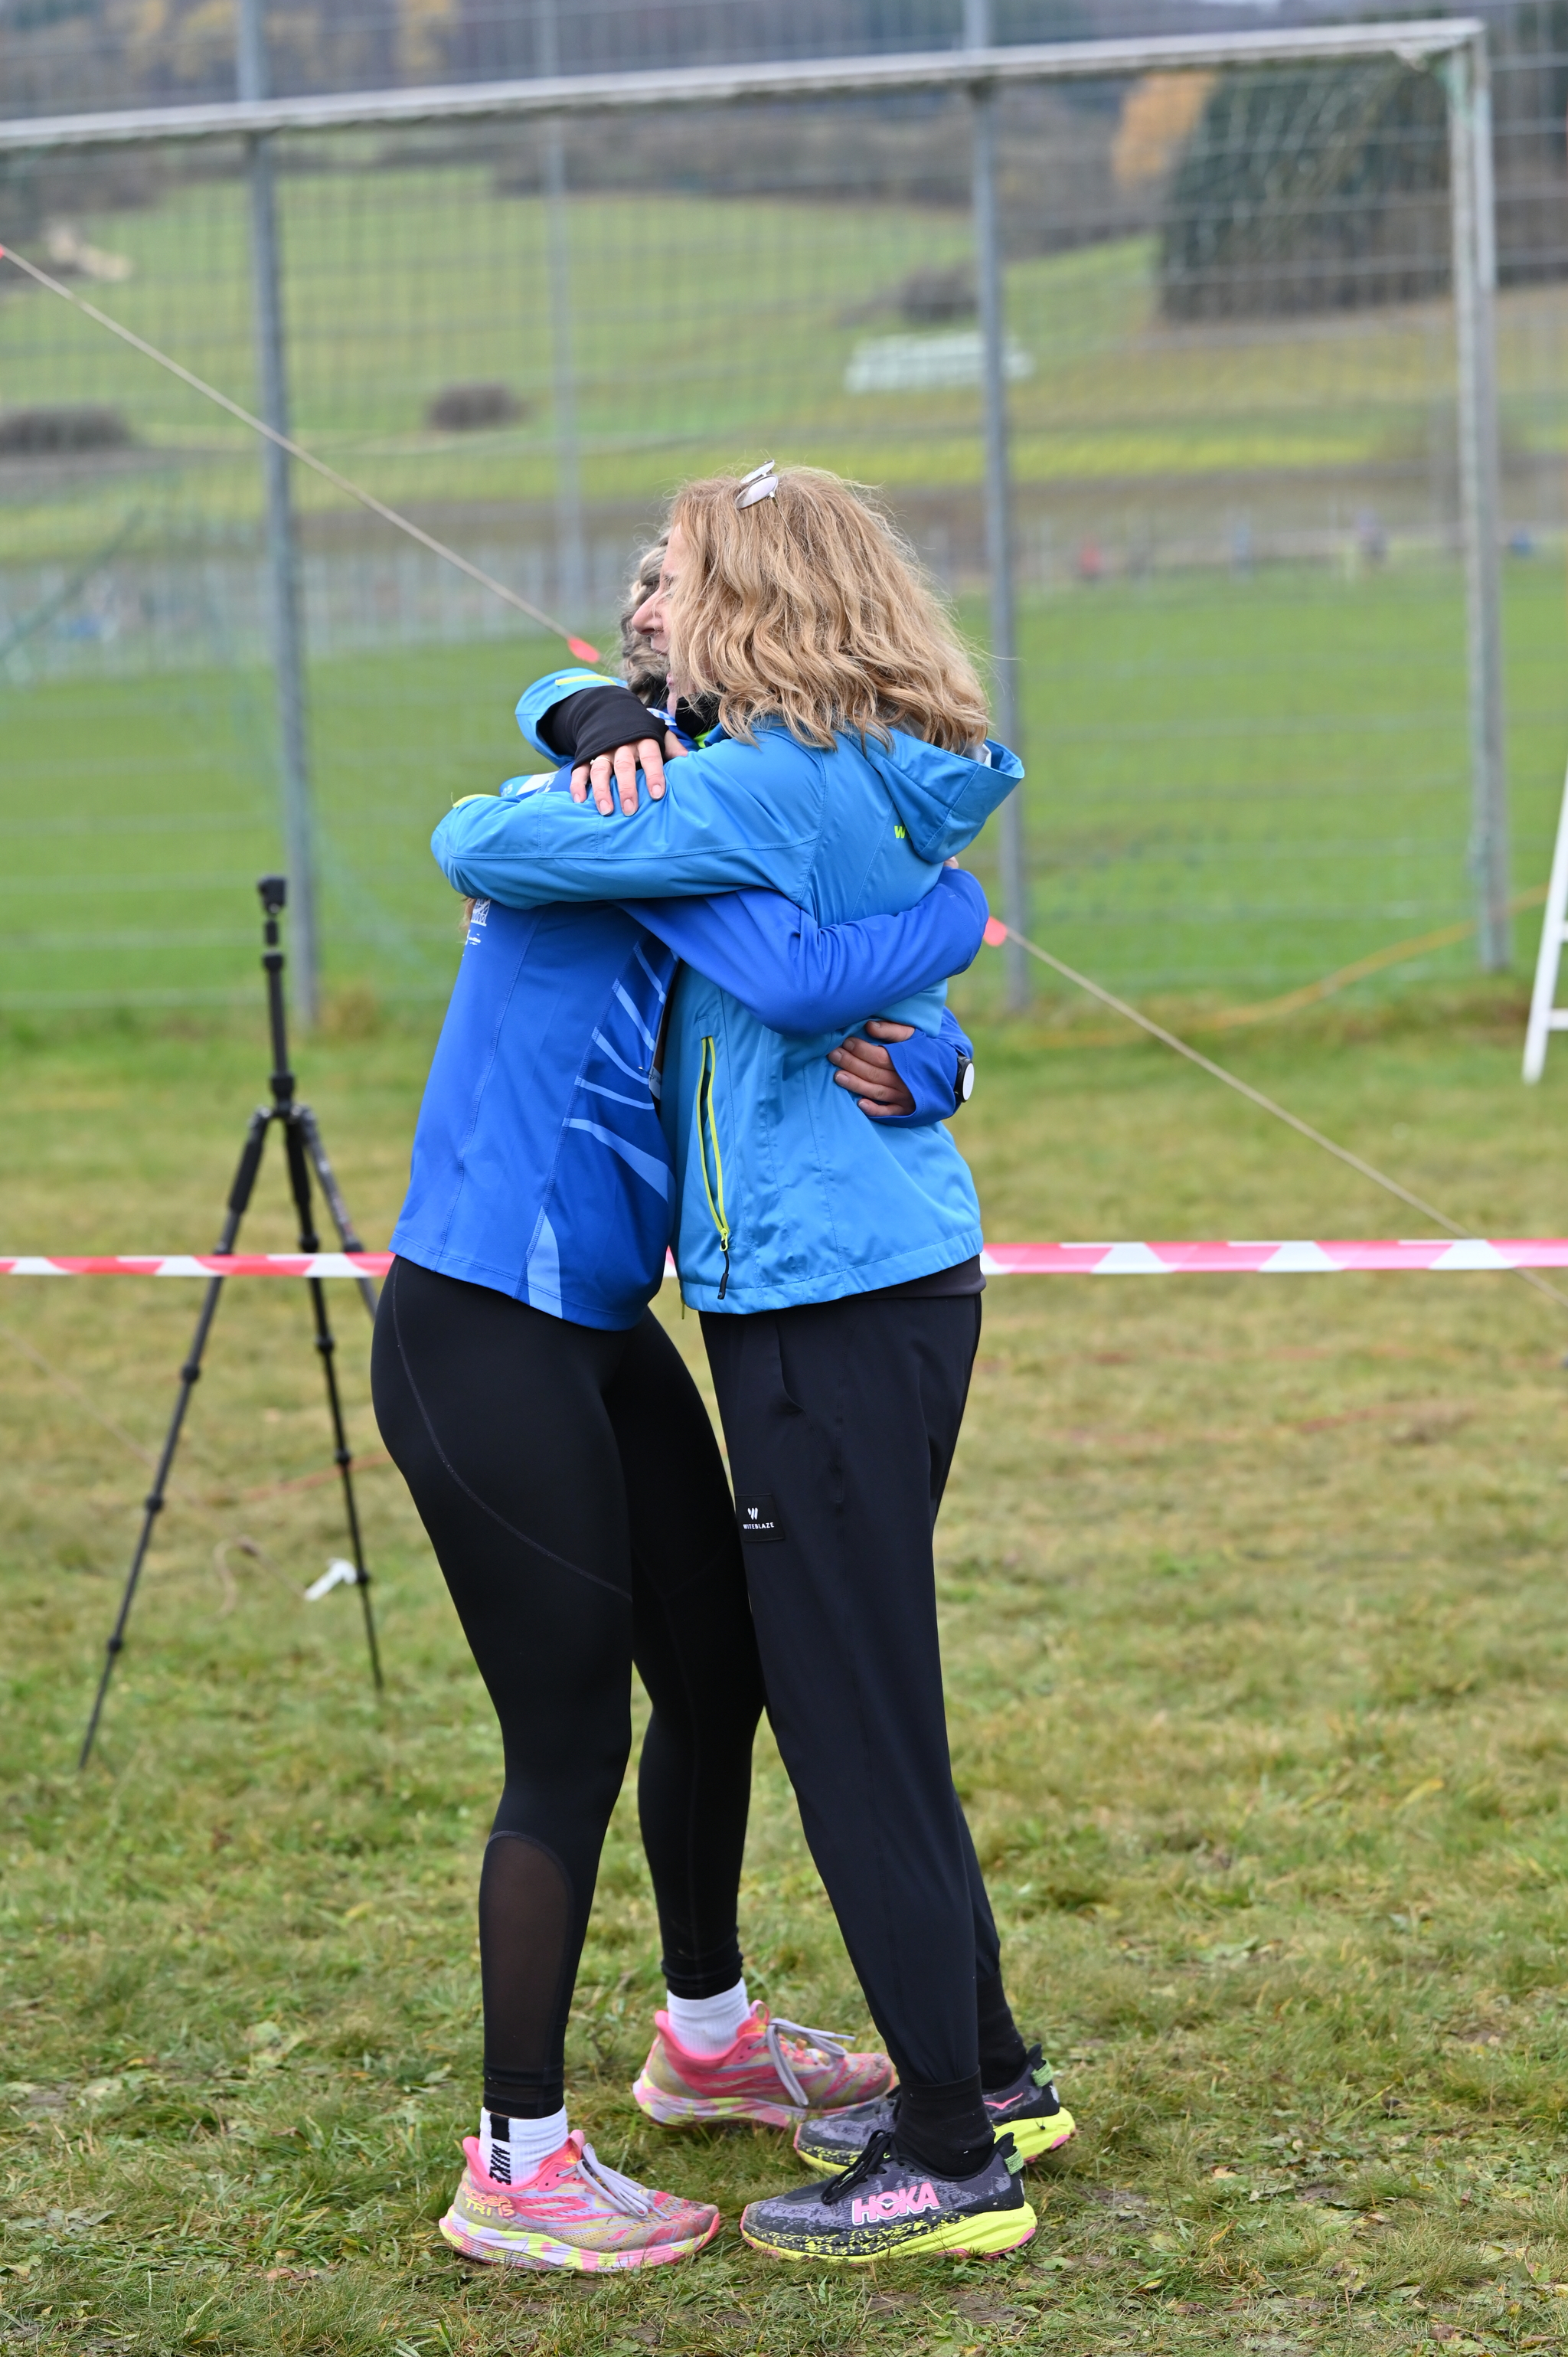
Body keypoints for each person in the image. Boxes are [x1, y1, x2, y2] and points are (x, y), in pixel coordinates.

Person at [434, 464, 1074, 2267]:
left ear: (754, 603)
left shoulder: (744, 786)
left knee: (853, 1720)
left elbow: (485, 845)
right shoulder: (862, 765)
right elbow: (886, 949)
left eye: (680, 577)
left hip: (817, 1299)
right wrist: (580, 709)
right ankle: (988, 2071)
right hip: (873, 1276)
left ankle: (947, 2147)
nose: (647, 604)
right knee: (870, 1696)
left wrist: (589, 748)